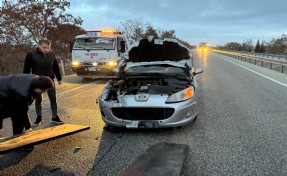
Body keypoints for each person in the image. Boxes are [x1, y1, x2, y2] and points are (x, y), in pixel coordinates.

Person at [23, 38, 64, 125]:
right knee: (38, 100)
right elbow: (26, 69)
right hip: (38, 81)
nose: (46, 50)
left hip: (50, 80)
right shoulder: (31, 55)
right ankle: (39, 118)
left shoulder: (52, 54)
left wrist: (59, 78)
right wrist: (26, 81)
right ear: (38, 46)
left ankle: (55, 117)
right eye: (44, 47)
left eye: (47, 48)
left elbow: (55, 66)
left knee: (53, 99)